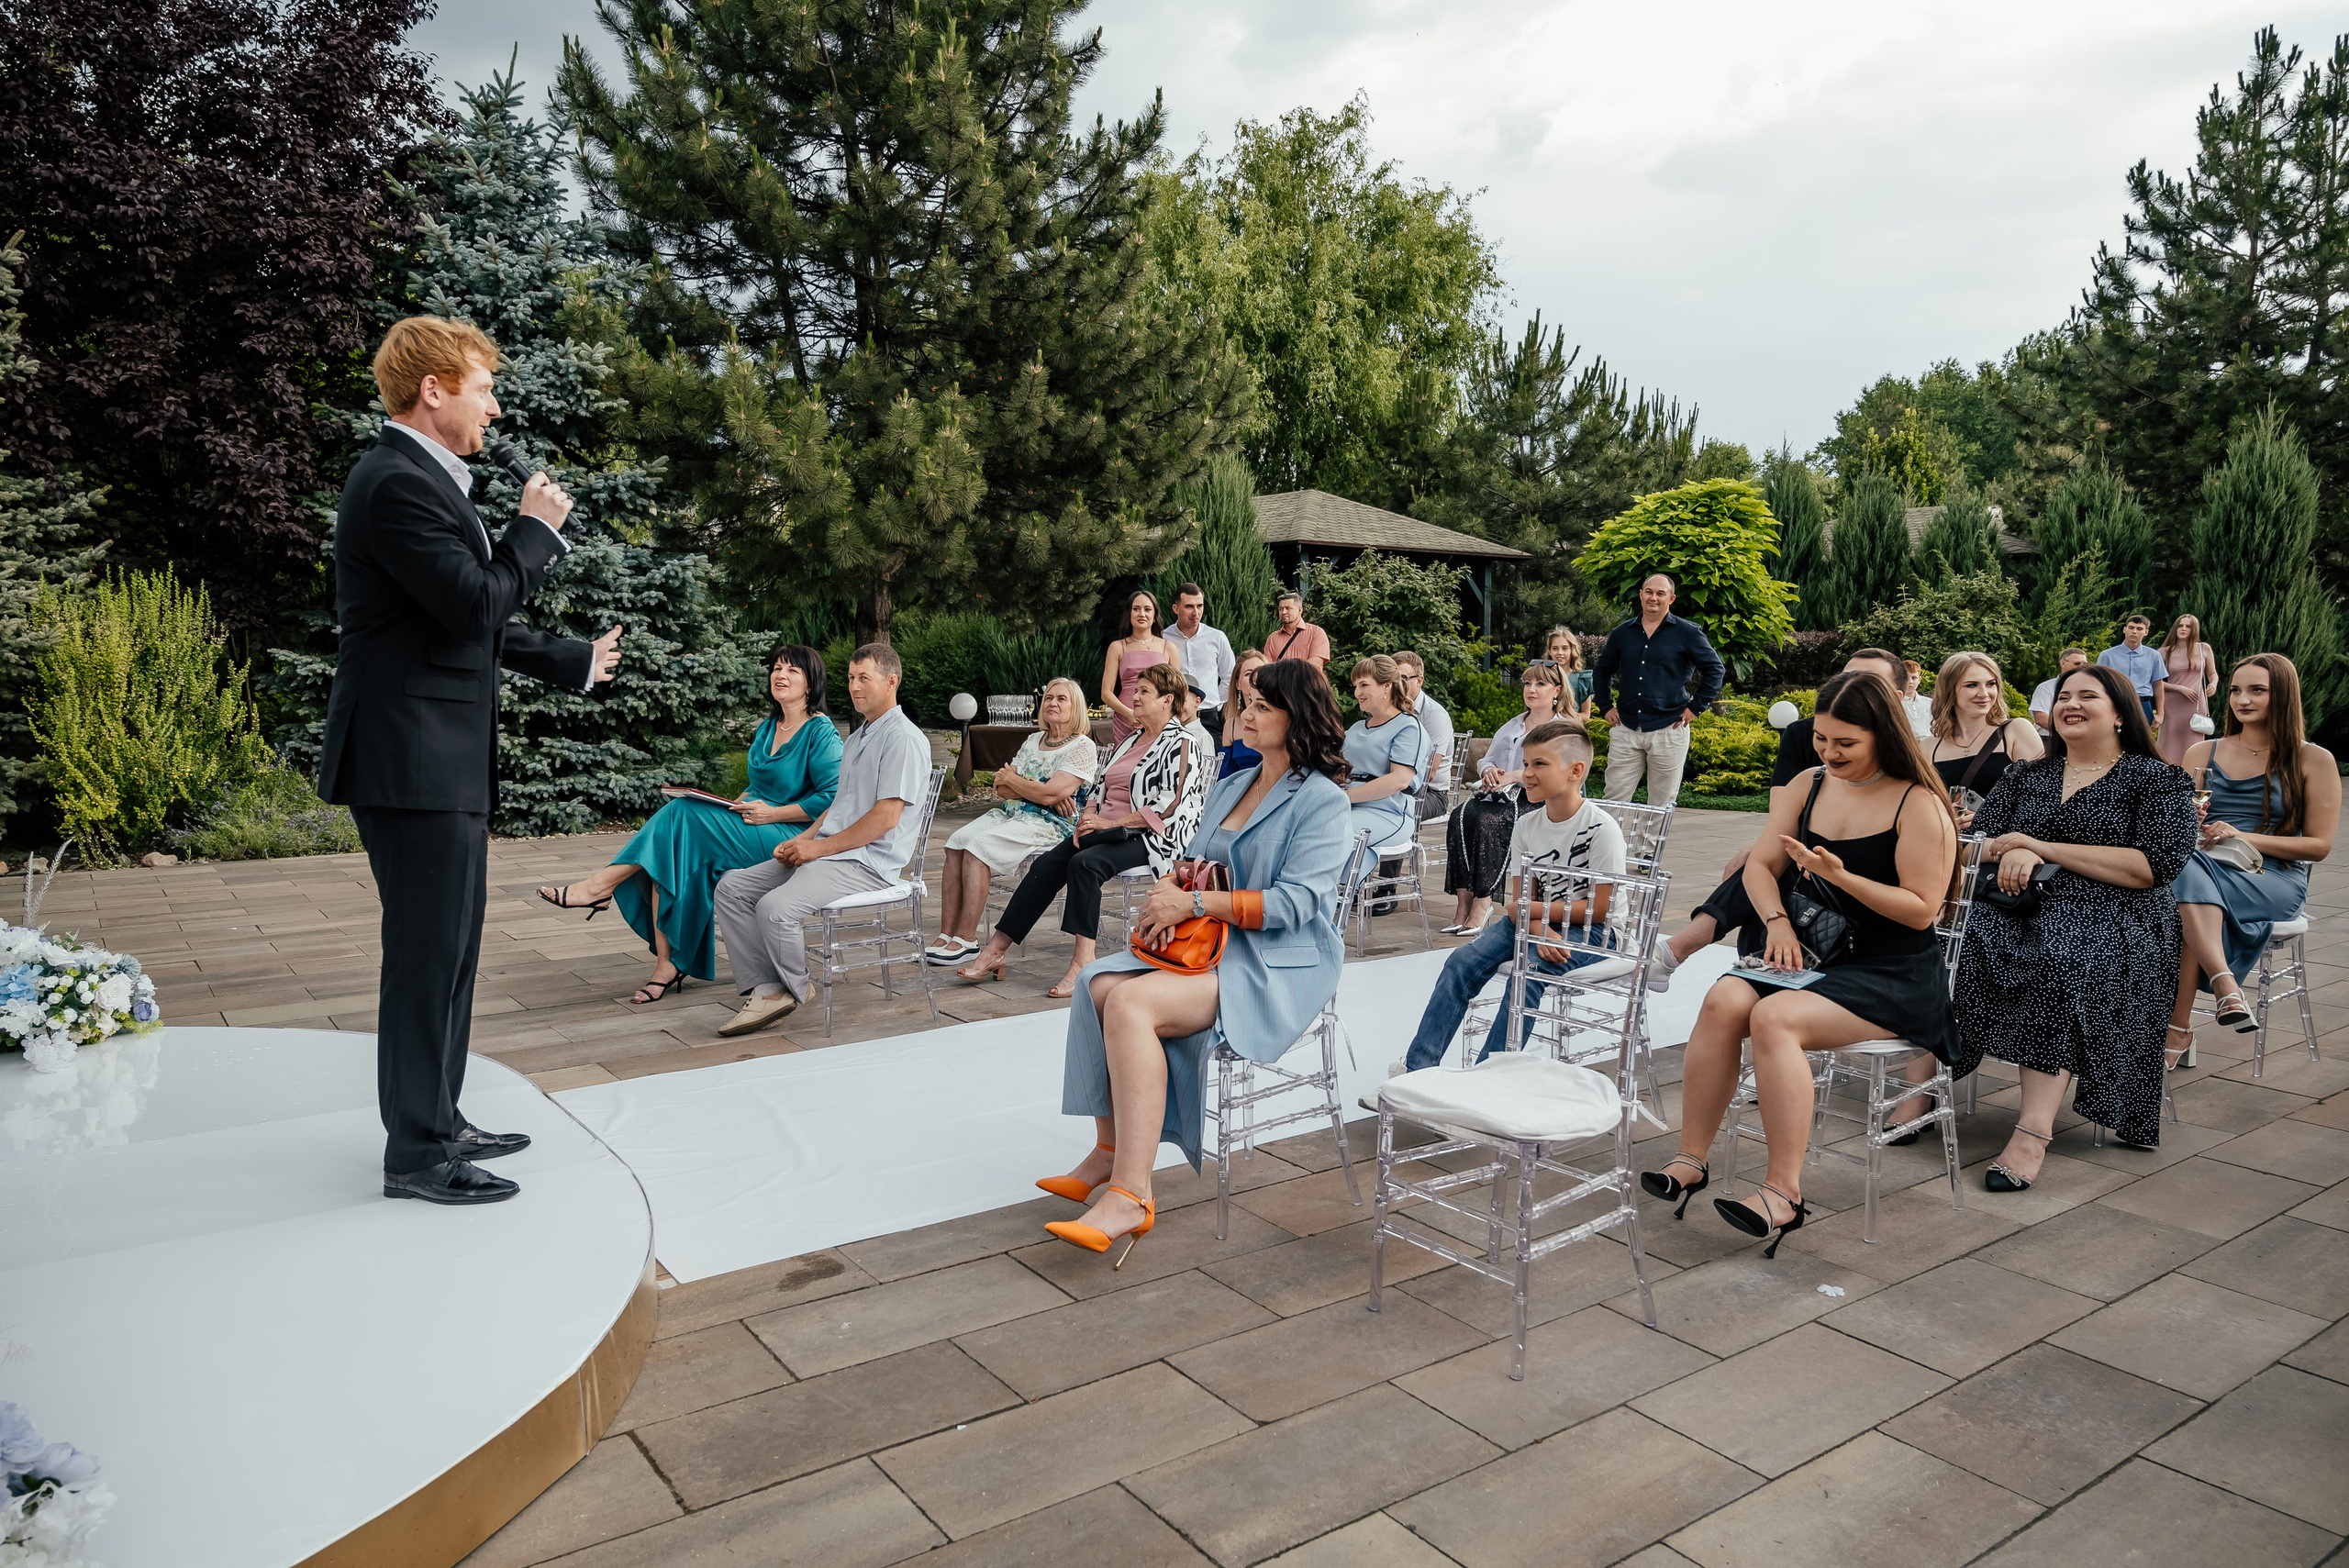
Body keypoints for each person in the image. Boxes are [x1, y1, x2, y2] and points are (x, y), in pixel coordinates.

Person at [324, 315, 622, 1206]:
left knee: (449, 949)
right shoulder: (395, 483)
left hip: (433, 760)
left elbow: (468, 616)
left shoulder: (424, 482)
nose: (493, 403)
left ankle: (439, 1115)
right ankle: (416, 1152)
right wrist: (533, 533)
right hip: (409, 761)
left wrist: (569, 659)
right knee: (425, 954)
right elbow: (469, 602)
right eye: (483, 385)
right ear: (434, 389)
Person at [1034, 660, 1353, 1261]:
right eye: (1244, 702)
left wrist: (1196, 899)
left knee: (1129, 1002)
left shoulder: (1323, 800)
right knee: (1098, 982)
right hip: (1211, 940)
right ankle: (1108, 1148)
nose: (1246, 714)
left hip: (1277, 958)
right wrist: (1167, 895)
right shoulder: (1235, 783)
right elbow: (1194, 860)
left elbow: (1298, 902)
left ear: (1297, 714)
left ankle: (1132, 1191)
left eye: (1261, 705)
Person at [1642, 671, 1959, 1254]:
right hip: (1818, 955)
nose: (1829, 753)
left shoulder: (1919, 804)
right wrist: (1779, 924)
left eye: (1846, 744)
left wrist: (1843, 878)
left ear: (1883, 736)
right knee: (1724, 997)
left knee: (1774, 1018)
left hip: (1893, 973)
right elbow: (1760, 867)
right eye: (1822, 739)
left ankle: (1783, 1193)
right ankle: (1692, 1158)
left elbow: (1921, 912)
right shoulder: (1809, 784)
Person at [1954, 663, 2199, 1173]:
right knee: (1955, 942)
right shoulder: (2027, 774)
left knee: (2061, 955)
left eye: (2088, 696)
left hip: (2119, 914)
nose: (2071, 704)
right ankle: (1920, 1090)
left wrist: (2039, 848)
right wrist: (2007, 850)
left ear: (2119, 714)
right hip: (2021, 904)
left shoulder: (2156, 779)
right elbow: (1976, 845)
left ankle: (2032, 1132)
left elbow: (2153, 866)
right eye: (2064, 695)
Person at [539, 642, 842, 1001]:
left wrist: (773, 813)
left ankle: (598, 887)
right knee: (671, 852)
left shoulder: (821, 732)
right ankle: (665, 965)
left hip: (790, 835)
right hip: (752, 823)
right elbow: (759, 785)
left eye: (792, 670)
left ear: (811, 683)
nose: (780, 675)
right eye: (777, 668)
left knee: (680, 817)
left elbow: (832, 798)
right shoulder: (768, 727)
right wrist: (735, 803)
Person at [1647, 648, 1909, 991]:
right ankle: (1708, 956)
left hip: (1863, 865)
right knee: (1759, 861)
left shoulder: (1907, 767)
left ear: (1897, 698)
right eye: (1845, 678)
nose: (1829, 751)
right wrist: (1767, 851)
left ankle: (1678, 950)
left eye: (1868, 681)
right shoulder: (1805, 734)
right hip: (1804, 842)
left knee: (1763, 862)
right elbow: (1783, 809)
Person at [713, 644, 935, 1037]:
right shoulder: (857, 738)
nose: (854, 686)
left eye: (864, 677)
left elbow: (885, 819)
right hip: (833, 853)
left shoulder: (902, 738)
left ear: (891, 681)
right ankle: (767, 988)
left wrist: (817, 849)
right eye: (850, 678)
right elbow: (837, 806)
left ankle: (793, 988)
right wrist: (802, 840)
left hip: (868, 863)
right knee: (732, 887)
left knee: (775, 908)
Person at [958, 664, 1206, 1000]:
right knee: (1045, 865)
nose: (1134, 697)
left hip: (1153, 836)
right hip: (1105, 830)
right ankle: (994, 951)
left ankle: (1082, 964)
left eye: (1144, 692)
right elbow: (1098, 785)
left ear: (1167, 700)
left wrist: (1109, 823)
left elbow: (1170, 806)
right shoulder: (1131, 738)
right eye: (1136, 690)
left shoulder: (1182, 742)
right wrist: (1087, 816)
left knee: (1084, 865)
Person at [1397, 720, 1628, 1071]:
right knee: (1461, 962)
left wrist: (1532, 917)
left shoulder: (1601, 830)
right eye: (1526, 763)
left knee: (1529, 969)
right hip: (1537, 921)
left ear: (1575, 771)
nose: (1527, 773)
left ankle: (1486, 1078)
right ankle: (1418, 1071)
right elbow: (1516, 903)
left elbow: (1599, 910)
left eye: (1539, 764)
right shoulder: (1526, 825)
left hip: (1596, 931)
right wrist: (1537, 926)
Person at [2169, 654, 2338, 1063]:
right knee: (2186, 873)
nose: (2242, 700)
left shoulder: (2312, 758)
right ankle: (2220, 990)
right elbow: (2175, 828)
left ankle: (2179, 1025)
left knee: (2182, 882)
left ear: (2281, 695)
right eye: (2235, 690)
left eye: (2256, 690)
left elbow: (2319, 846)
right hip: (2203, 864)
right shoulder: (2200, 752)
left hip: (2271, 877)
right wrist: (2183, 817)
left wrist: (2242, 835)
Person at [924, 676, 1097, 967]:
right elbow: (1001, 788)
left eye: (1061, 699)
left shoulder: (1082, 747)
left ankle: (966, 939)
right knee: (955, 843)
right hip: (1012, 812)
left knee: (978, 846)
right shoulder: (1033, 740)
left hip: (1054, 824)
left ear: (1076, 707)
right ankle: (947, 933)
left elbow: (1049, 795)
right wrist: (1037, 789)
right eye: (1048, 698)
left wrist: (1027, 786)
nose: (1052, 703)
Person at [1442, 661, 1567, 936]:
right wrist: (1489, 772)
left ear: (1556, 690)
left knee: (1490, 822)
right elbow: (1487, 759)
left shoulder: (1561, 730)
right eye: (1527, 684)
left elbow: (1554, 775)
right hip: (1499, 795)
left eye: (1540, 684)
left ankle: (1483, 901)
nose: (1531, 690)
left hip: (1537, 800)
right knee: (1460, 816)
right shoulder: (1513, 725)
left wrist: (1512, 776)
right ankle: (1462, 906)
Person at [1592, 573, 1724, 806]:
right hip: (1626, 729)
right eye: (1649, 592)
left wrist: (1696, 707)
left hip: (1669, 729)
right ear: (1641, 595)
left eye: (1660, 593)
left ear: (1671, 599)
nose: (1654, 597)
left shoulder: (1688, 633)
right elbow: (1602, 671)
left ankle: (1651, 845)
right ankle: (1610, 845)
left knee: (1661, 806)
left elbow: (1715, 669)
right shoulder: (1622, 633)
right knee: (1612, 801)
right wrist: (1605, 706)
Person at [1926, 651, 2043, 829]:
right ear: (1949, 689)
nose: (1984, 693)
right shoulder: (1928, 747)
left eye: (1991, 684)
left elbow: (2041, 801)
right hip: (1951, 847)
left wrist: (1987, 817)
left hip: (2002, 847)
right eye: (1972, 685)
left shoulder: (2015, 731)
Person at [1342, 655, 1427, 850]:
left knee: (1331, 831)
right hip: (1348, 807)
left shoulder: (1408, 727)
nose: (1357, 693)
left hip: (1388, 813)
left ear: (1387, 686)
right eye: (1355, 686)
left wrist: (1345, 797)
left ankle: (1338, 880)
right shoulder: (1356, 728)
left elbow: (1399, 780)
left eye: (1364, 685)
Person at [1102, 590, 1186, 746]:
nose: (1142, 613)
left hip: (1160, 719)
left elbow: (1178, 690)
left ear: (1155, 616)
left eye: (1147, 609)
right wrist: (1128, 713)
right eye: (1136, 609)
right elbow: (1106, 692)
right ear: (1129, 614)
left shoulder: (1168, 647)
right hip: (1126, 719)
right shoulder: (1117, 647)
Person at [1163, 584, 1235, 737]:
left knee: (1213, 760)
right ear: (1176, 609)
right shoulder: (1164, 638)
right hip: (1174, 717)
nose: (1195, 612)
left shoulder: (1217, 637)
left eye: (1200, 606)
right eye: (1189, 606)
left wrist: (1216, 703)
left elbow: (1230, 675)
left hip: (1209, 718)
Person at [1394, 651, 1456, 824]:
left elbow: (1429, 771)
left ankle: (1401, 850)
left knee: (1387, 809)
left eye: (1403, 678)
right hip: (1396, 787)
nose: (1397, 684)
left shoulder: (1434, 715)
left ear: (1419, 680)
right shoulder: (1389, 710)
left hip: (1431, 794)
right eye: (1392, 679)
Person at [2156, 614, 2219, 766]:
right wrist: (2179, 688)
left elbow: (2212, 673)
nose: (2183, 629)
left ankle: (2192, 779)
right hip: (2172, 704)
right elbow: (2154, 682)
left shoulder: (2204, 648)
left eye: (2188, 626)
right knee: (2169, 742)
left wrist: (2214, 684)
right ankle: (2166, 780)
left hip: (2196, 704)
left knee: (2194, 742)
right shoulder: (2163, 652)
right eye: (2180, 625)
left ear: (2194, 630)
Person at [2098, 616, 2166, 726]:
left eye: (2139, 629)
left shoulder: (2154, 656)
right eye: (2131, 627)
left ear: (2146, 632)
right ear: (2125, 629)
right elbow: (2099, 684)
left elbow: (2158, 684)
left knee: (2140, 741)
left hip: (2143, 705)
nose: (2134, 632)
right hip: (2115, 704)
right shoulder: (2107, 656)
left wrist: (2160, 713)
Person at [1219, 651, 1268, 775]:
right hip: (1241, 790)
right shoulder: (1231, 725)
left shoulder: (1279, 718)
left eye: (1261, 672)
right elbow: (1224, 775)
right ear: (1238, 684)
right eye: (1248, 674)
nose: (1255, 678)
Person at [1262, 590, 1331, 671]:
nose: (1284, 612)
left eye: (1288, 608)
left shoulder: (1316, 633)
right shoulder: (1272, 638)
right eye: (1281, 609)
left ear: (1300, 610)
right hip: (1280, 683)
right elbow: (1267, 670)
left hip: (1306, 683)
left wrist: (1284, 673)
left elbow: (1315, 665)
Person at [2031, 648, 2090, 735]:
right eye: (2077, 663)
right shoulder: (2046, 688)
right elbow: (2041, 718)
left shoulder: (2091, 688)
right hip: (2049, 738)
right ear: (2062, 663)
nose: (2082, 667)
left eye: (2085, 664)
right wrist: (2066, 732)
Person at [1545, 626, 1595, 718]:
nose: (1559, 653)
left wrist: (1561, 718)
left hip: (1569, 729)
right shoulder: (1542, 677)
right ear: (1549, 652)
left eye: (1565, 648)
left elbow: (1585, 715)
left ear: (1572, 650)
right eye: (1555, 648)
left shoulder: (1582, 680)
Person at [1899, 662, 1934, 739]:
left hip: (1928, 745)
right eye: (1906, 678)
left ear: (1919, 680)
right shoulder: (1895, 703)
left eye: (1914, 678)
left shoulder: (1929, 703)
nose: (1910, 682)